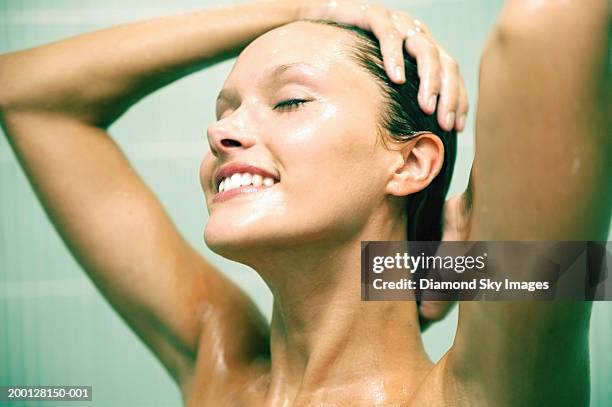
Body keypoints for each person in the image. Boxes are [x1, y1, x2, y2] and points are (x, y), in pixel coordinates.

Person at [0, 0, 609, 405]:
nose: (222, 133)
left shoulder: (483, 390)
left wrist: (457, 266)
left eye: (290, 101)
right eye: (225, 111)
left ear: (411, 162)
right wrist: (300, 7)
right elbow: (24, 94)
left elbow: (550, 27)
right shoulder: (224, 375)